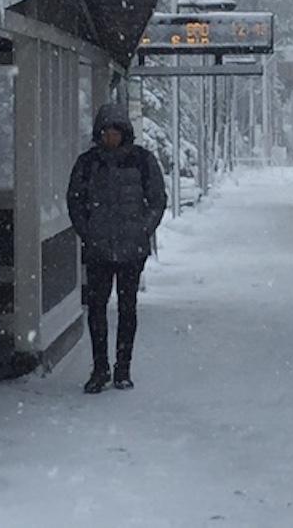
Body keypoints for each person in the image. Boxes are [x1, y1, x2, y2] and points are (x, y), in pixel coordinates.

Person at [65, 102, 167, 394]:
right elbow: (74, 201)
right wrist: (88, 232)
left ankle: (122, 369)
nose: (111, 137)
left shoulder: (142, 161)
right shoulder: (88, 163)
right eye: (106, 132)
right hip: (99, 250)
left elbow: (157, 200)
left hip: (131, 251)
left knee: (127, 308)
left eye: (115, 131)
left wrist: (142, 229)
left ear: (124, 133)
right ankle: (100, 369)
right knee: (97, 309)